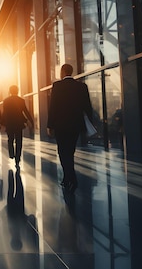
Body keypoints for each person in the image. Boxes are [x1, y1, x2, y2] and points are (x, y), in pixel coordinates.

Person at [47, 64, 93, 193]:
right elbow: (87, 107)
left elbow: (53, 107)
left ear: (62, 72)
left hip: (60, 125)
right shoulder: (81, 87)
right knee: (70, 151)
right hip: (75, 125)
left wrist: (50, 125)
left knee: (62, 152)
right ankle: (68, 177)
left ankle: (70, 177)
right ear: (71, 72)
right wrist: (90, 124)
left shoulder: (57, 86)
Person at [2, 85, 34, 168]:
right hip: (18, 124)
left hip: (9, 124)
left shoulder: (6, 101)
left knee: (10, 139)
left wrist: (3, 122)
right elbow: (25, 112)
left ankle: (11, 154)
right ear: (17, 91)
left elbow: (4, 113)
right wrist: (30, 121)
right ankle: (17, 159)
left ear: (10, 91)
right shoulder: (21, 100)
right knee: (19, 141)